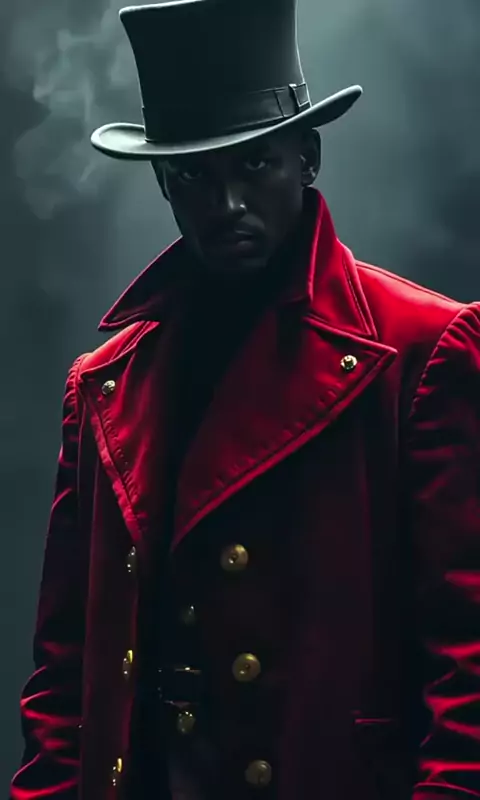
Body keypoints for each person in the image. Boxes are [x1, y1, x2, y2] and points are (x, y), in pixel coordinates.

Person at [10, 0, 480, 799]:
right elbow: (64, 685)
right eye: (195, 175)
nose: (227, 202)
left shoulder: (424, 351)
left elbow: (468, 670)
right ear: (163, 183)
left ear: (307, 156)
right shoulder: (104, 385)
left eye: (255, 164)